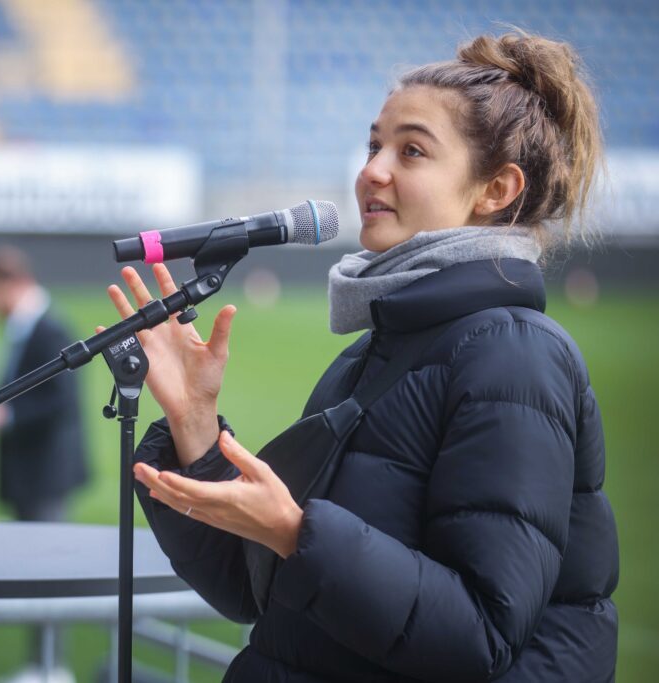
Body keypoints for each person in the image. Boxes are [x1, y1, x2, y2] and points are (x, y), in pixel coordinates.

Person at [107, 31, 618, 682]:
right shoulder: (378, 347)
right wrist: (195, 426)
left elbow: (480, 634)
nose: (372, 170)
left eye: (412, 150)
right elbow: (254, 592)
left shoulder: (513, 354)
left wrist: (298, 532)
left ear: (495, 189)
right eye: (375, 144)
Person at [0, 246, 87, 683]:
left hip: (45, 472)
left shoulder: (50, 329)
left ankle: (52, 667)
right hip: (32, 470)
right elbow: (13, 388)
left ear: (8, 285)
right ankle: (42, 664)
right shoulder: (26, 326)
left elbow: (61, 402)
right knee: (35, 567)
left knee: (47, 570)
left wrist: (5, 416)